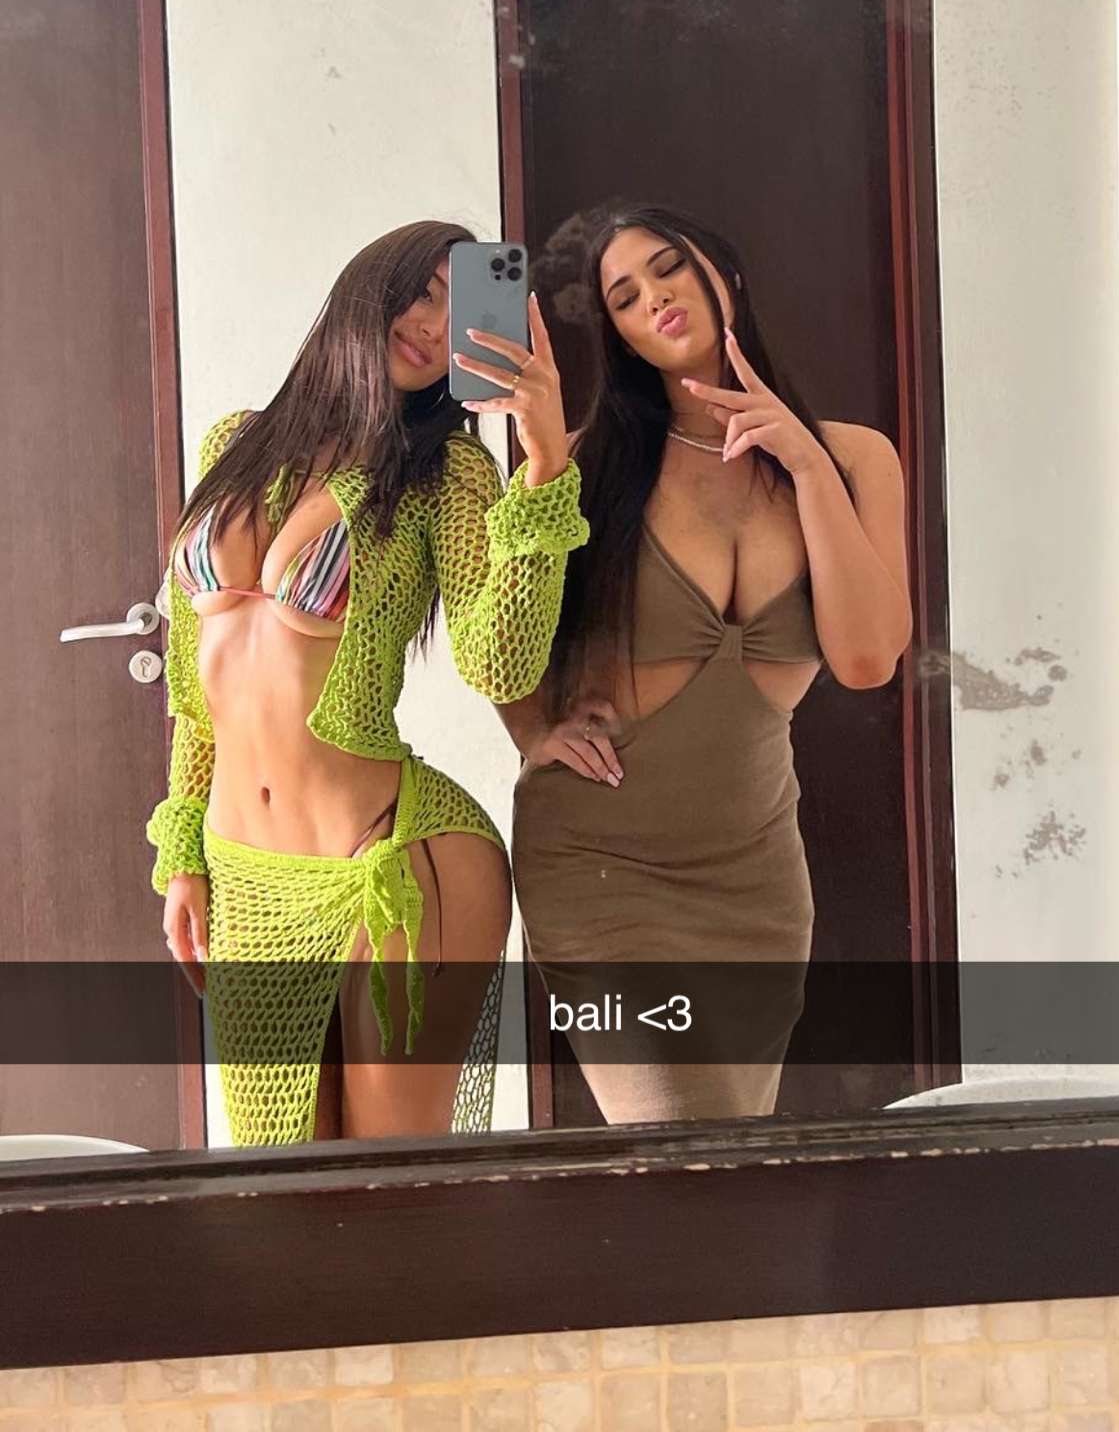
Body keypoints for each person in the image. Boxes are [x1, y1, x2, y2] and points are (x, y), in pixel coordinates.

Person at [147, 220, 586, 1147]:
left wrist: (543, 467)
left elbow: (498, 662)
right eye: (422, 291)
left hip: (388, 861)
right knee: (279, 1178)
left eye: (461, 311)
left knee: (393, 1185)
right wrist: (182, 850)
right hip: (245, 874)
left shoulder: (445, 473)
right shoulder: (235, 442)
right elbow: (195, 692)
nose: (432, 324)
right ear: (369, 286)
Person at [506, 204, 911, 1125]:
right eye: (624, 298)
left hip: (755, 881)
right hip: (598, 874)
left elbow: (866, 660)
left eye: (667, 268)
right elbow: (504, 634)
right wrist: (532, 731)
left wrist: (806, 466)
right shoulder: (583, 464)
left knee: (727, 1169)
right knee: (684, 1152)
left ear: (723, 273)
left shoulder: (855, 460)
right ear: (619, 335)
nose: (653, 298)